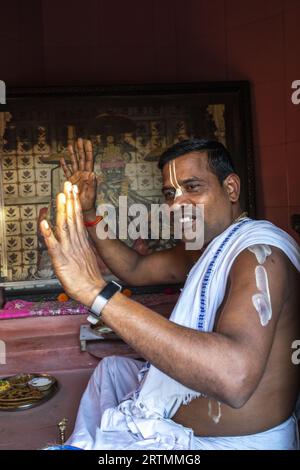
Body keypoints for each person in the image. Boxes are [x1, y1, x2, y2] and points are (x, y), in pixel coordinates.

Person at [41, 138, 300, 450]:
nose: (177, 204)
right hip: (185, 424)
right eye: (170, 194)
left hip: (232, 443)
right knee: (112, 370)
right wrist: (90, 212)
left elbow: (234, 378)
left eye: (193, 187)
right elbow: (135, 267)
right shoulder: (204, 247)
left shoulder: (260, 254)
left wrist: (96, 292)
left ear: (231, 188)